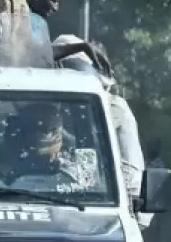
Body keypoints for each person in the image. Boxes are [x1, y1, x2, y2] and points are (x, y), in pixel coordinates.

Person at [55, 35, 146, 212]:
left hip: (98, 208)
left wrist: (123, 210)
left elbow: (131, 172)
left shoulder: (113, 110)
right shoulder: (46, 112)